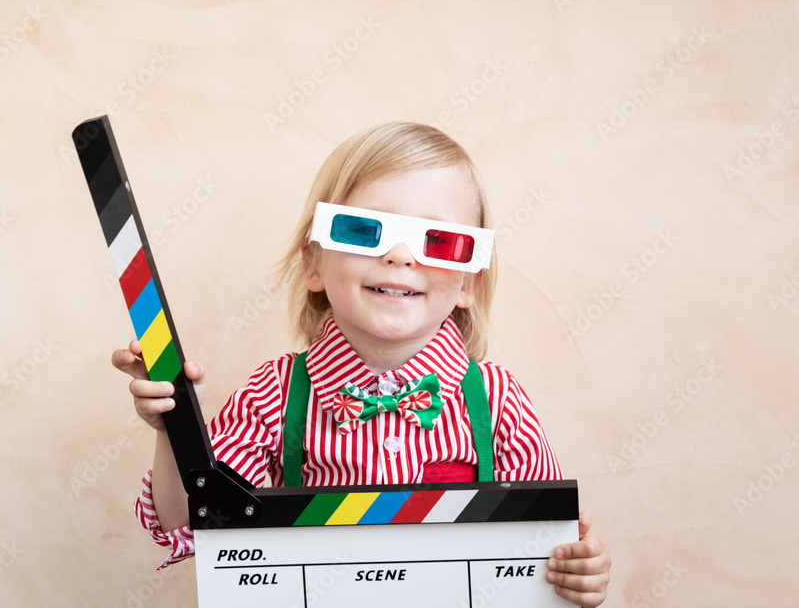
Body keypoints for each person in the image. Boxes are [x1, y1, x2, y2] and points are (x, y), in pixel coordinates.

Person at [113, 122, 611, 606]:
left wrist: (576, 573)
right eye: (361, 230)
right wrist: (171, 428)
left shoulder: (500, 401)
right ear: (312, 263)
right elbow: (188, 523)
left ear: (468, 283)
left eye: (438, 241)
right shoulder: (273, 394)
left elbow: (542, 546)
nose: (398, 255)